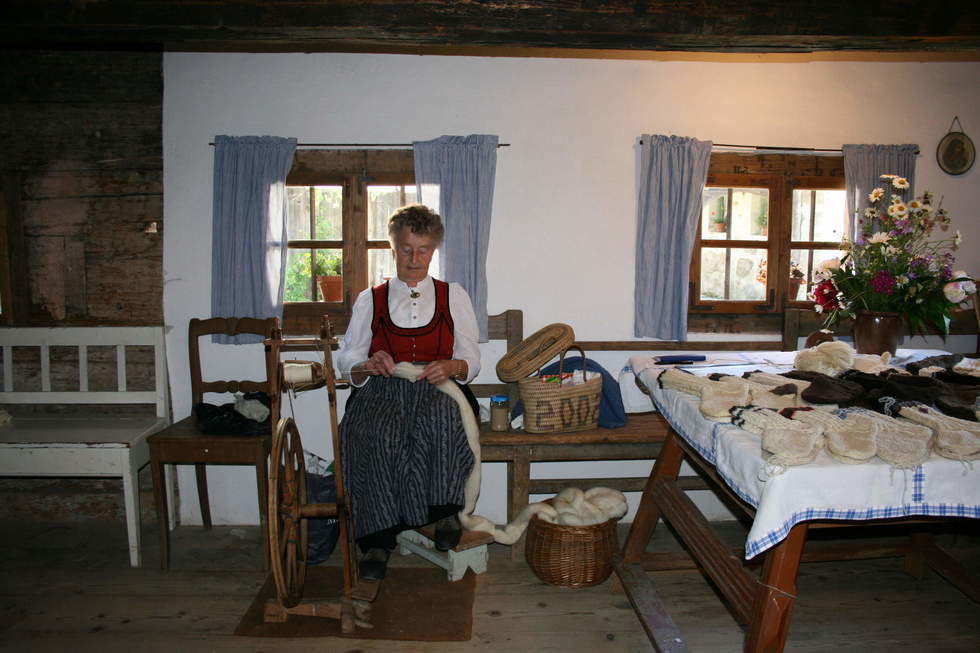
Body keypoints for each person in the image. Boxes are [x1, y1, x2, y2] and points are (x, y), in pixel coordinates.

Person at [335, 204, 481, 581]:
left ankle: (445, 512)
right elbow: (347, 357)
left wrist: (453, 366)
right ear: (393, 247)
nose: (415, 259)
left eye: (423, 250)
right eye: (406, 249)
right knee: (375, 432)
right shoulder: (371, 298)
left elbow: (471, 357)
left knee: (443, 419)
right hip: (385, 387)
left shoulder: (453, 295)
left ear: (434, 250)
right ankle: (377, 539)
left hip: (437, 384)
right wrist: (367, 363)